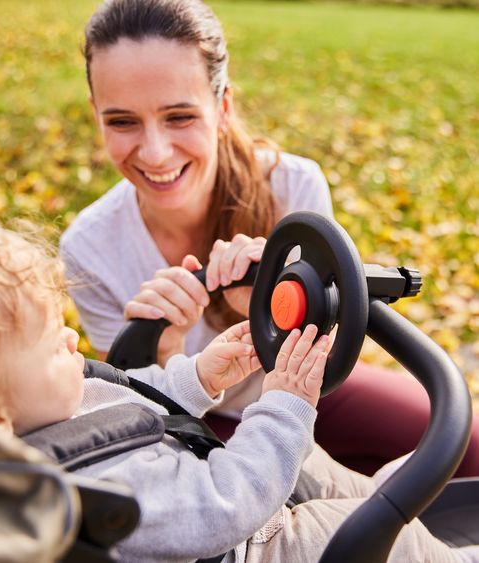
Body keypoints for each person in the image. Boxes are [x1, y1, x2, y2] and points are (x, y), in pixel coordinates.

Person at [60, 0, 479, 477]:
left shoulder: (294, 188)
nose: (155, 152)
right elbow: (132, 415)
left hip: (305, 390)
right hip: (190, 421)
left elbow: (326, 355)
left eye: (179, 117)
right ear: (96, 114)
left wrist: (268, 309)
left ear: (222, 106)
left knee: (467, 444)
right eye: (122, 121)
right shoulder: (88, 247)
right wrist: (165, 351)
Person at [0, 214, 478, 562]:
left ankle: (393, 507)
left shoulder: (44, 406)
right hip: (253, 544)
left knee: (328, 472)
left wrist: (202, 374)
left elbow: (130, 397)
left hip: (227, 481)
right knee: (360, 530)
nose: (71, 338)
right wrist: (282, 403)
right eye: (50, 341)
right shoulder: (88, 493)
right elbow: (224, 506)